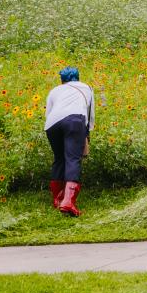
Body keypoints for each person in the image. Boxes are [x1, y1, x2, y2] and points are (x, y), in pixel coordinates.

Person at [43, 66, 94, 217]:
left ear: (62, 79)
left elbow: (48, 113)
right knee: (72, 159)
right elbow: (90, 113)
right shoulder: (86, 87)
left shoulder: (54, 90)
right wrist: (87, 132)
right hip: (74, 120)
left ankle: (57, 199)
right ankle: (68, 202)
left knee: (59, 158)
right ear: (77, 77)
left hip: (52, 124)